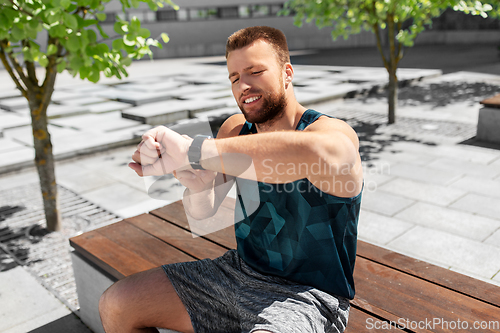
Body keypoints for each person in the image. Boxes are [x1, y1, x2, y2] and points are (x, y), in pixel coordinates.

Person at [99, 26, 363, 333]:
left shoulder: (327, 132)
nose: (243, 86)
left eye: (254, 71)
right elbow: (202, 212)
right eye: (235, 78)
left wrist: (192, 150)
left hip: (309, 296)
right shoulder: (235, 130)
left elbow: (322, 153)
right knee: (117, 303)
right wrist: (197, 185)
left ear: (287, 73)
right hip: (237, 272)